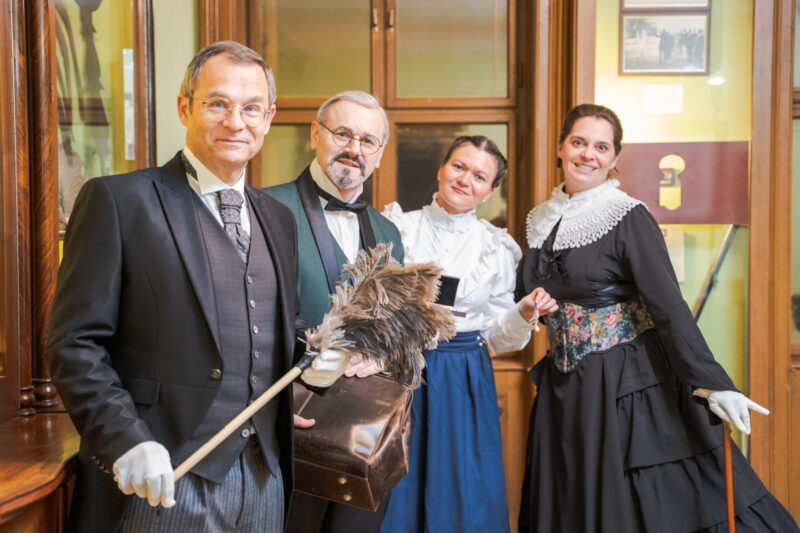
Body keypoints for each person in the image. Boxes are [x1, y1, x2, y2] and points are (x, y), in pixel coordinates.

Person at [45, 41, 302, 533]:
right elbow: (74, 344)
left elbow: (277, 326)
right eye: (218, 104)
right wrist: (126, 440)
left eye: (251, 108)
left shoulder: (278, 218)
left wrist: (321, 353)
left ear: (268, 118)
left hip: (265, 476)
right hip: (160, 479)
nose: (236, 122)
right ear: (185, 108)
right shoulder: (118, 201)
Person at [516, 103, 800, 532]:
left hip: (621, 384)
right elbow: (526, 301)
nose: (588, 154)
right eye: (578, 142)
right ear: (560, 147)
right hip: (563, 387)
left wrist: (714, 383)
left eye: (601, 147)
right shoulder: (540, 220)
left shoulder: (627, 215)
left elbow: (668, 307)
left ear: (615, 157)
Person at [379, 136, 558, 533]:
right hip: (399, 369)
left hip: (463, 375)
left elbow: (496, 338)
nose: (465, 180)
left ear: (490, 191)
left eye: (479, 176)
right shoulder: (398, 228)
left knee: (461, 488)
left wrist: (523, 313)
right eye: (459, 167)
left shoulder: (496, 248)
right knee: (395, 486)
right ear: (441, 169)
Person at [264, 90, 404, 533]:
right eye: (343, 133)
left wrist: (384, 353)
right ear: (314, 135)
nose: (354, 149)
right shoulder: (263, 208)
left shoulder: (389, 231)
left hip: (362, 433)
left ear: (380, 152)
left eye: (368, 141)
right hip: (288, 420)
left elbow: (396, 327)